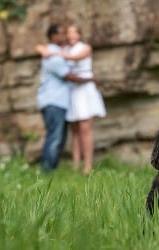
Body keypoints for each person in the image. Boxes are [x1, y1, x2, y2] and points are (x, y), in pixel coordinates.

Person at [37, 24, 106, 176]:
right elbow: (41, 47)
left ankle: (87, 166)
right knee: (74, 131)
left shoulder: (83, 47)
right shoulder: (63, 49)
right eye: (68, 33)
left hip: (84, 89)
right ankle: (75, 165)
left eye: (74, 32)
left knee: (84, 129)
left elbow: (75, 58)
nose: (69, 36)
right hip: (72, 91)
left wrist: (52, 52)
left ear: (80, 34)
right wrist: (45, 50)